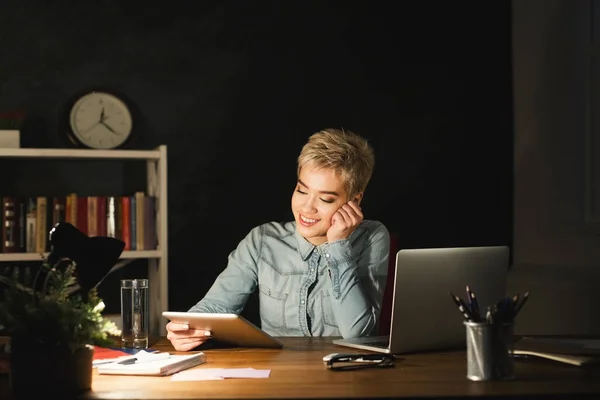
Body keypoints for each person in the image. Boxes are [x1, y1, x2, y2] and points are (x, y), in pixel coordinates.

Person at [167, 128, 390, 351]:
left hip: (345, 372)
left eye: (325, 198)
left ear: (354, 200)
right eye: (302, 191)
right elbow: (216, 305)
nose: (307, 207)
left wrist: (338, 246)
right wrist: (187, 327)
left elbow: (358, 334)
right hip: (277, 374)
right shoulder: (262, 240)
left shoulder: (372, 237)